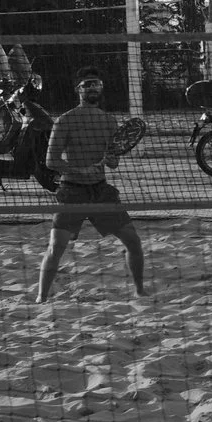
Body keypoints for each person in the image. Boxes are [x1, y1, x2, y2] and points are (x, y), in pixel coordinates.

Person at [37, 68, 145, 302]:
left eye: (96, 83)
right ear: (78, 90)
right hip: (73, 192)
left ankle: (140, 292)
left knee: (133, 242)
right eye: (87, 84)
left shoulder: (108, 120)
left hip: (101, 191)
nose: (93, 87)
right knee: (56, 248)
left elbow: (114, 161)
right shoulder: (65, 121)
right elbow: (51, 161)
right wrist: (78, 169)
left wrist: (111, 159)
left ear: (102, 88)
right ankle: (41, 298)